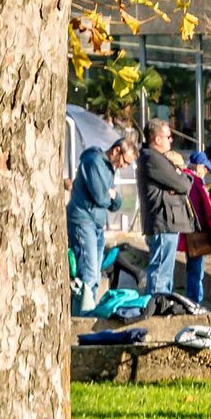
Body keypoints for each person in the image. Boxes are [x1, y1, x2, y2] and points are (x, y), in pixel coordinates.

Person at [70, 133, 132, 315]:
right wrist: (110, 196)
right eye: (125, 162)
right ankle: (81, 318)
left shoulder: (109, 168)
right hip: (84, 220)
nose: (124, 167)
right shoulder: (93, 161)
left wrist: (113, 196)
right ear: (116, 150)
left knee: (96, 274)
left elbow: (116, 203)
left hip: (97, 223)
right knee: (87, 274)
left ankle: (86, 314)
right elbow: (101, 197)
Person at [136, 119, 195, 298]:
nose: (171, 141)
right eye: (168, 137)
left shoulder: (159, 158)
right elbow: (183, 184)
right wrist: (180, 176)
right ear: (157, 139)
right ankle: (155, 311)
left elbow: (183, 181)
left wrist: (181, 178)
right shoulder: (152, 158)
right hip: (162, 222)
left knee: (166, 275)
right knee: (160, 273)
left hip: (167, 222)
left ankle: (161, 306)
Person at [181, 150, 211, 308]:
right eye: (205, 169)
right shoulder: (196, 182)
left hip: (185, 231)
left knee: (191, 269)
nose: (206, 173)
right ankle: (195, 302)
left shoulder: (182, 178)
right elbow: (208, 209)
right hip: (197, 233)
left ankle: (191, 300)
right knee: (196, 271)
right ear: (198, 166)